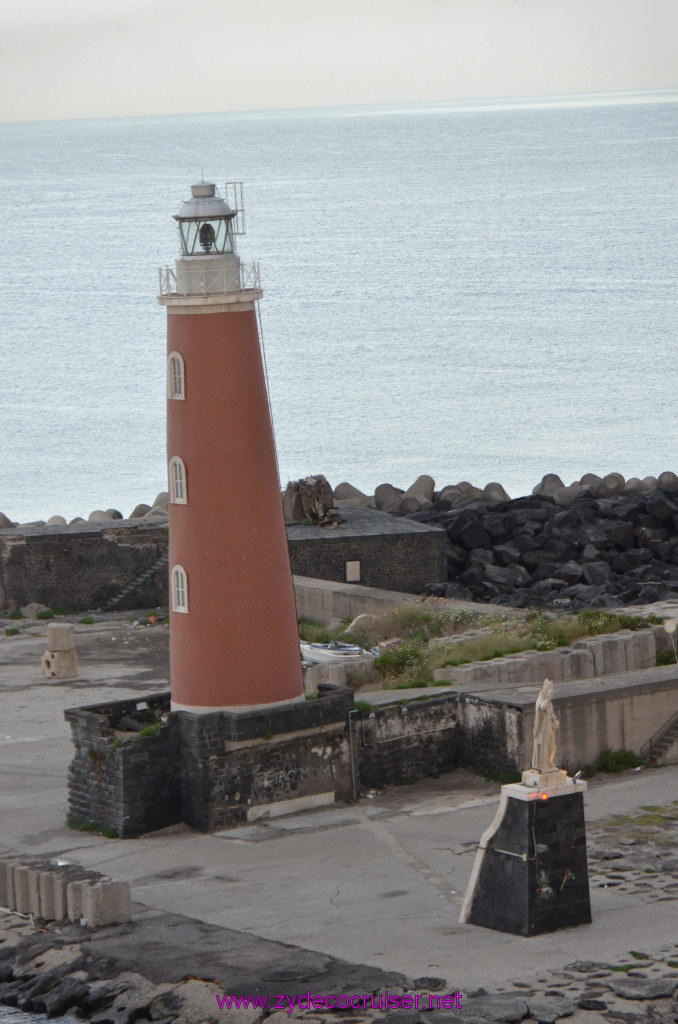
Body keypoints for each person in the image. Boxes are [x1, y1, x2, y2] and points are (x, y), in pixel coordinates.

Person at [532, 678, 558, 772]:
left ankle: (548, 762)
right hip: (542, 728)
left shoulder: (548, 702)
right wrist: (548, 698)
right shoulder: (540, 700)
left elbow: (550, 713)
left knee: (552, 745)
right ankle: (543, 764)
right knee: (544, 745)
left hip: (549, 726)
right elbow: (543, 707)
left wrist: (554, 721)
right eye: (549, 690)